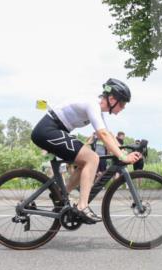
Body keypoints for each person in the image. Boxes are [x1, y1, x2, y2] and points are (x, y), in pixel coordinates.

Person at [30, 78, 140, 224]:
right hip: (48, 130)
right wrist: (122, 156)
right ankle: (82, 206)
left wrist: (122, 152)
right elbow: (102, 135)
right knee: (92, 158)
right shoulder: (92, 104)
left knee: (85, 162)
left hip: (54, 131)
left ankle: (60, 194)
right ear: (112, 99)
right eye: (122, 103)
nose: (123, 107)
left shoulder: (97, 109)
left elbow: (108, 134)